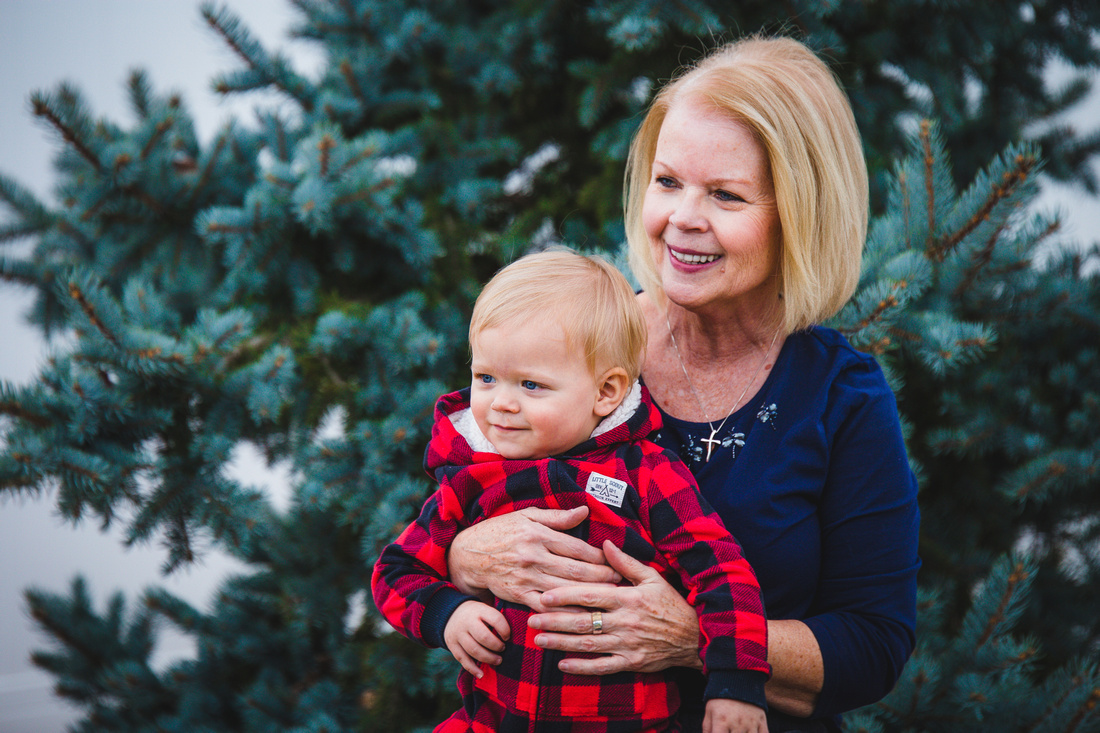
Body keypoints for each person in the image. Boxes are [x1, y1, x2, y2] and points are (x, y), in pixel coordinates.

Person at [443, 36, 921, 733]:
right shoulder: (585, 343)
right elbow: (448, 493)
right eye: (668, 183)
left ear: (800, 211)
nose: (682, 218)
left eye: (725, 194)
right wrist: (463, 557)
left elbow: (875, 645)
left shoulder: (840, 394)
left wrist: (697, 634)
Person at [372, 249, 772, 733]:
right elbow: (396, 571)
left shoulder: (645, 473)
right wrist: (446, 612)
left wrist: (736, 684)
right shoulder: (472, 477)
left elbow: (722, 572)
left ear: (606, 392)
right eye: (486, 378)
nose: (501, 403)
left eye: (531, 385)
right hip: (495, 720)